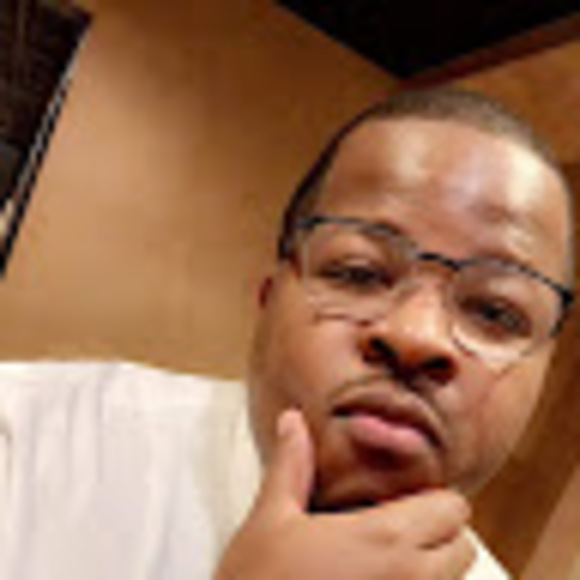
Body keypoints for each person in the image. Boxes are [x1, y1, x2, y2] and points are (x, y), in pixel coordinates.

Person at [0, 88, 574, 580]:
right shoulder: (27, 442)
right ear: (267, 301)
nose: (417, 335)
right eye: (359, 273)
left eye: (496, 312)